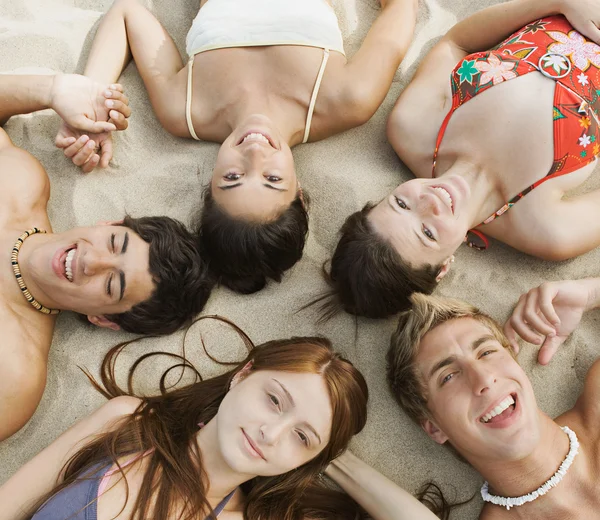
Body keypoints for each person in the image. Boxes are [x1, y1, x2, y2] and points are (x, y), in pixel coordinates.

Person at [0, 335, 479, 520]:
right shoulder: (128, 426)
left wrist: (335, 459)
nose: (272, 433)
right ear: (243, 375)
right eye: (274, 400)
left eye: (301, 436)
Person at [57, 0, 419, 294]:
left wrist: (88, 105)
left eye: (233, 176)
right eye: (272, 178)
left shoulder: (186, 110)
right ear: (301, 195)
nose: (255, 153)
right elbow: (401, 8)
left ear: (209, 186)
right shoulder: (347, 100)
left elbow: (127, 15)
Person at [327, 0, 600, 318]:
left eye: (401, 204)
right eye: (428, 233)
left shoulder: (413, 128)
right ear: (443, 267)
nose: (429, 203)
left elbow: (456, 44)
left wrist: (560, 3)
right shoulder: (548, 230)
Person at [0, 72, 212, 441]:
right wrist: (52, 91)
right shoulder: (18, 183)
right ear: (108, 222)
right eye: (114, 243)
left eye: (112, 284)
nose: (91, 262)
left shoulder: (14, 373)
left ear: (103, 319)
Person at [387, 284, 600, 520]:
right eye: (448, 376)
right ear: (434, 427)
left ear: (513, 359)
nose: (483, 379)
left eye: (486, 352)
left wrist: (590, 293)